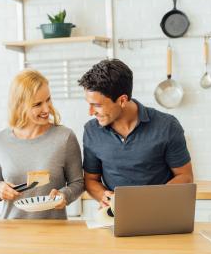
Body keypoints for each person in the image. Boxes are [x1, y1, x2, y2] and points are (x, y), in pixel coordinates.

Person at [77, 59, 193, 208]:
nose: (91, 112)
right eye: (89, 104)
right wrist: (104, 196)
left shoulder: (167, 126)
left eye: (97, 105)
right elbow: (91, 180)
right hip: (117, 215)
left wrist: (149, 201)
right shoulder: (91, 131)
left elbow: (185, 176)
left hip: (162, 212)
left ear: (122, 100)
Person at [0, 69, 84, 219]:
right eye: (37, 104)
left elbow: (78, 183)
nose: (47, 109)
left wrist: (64, 195)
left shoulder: (65, 137)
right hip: (12, 232)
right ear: (20, 106)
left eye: (48, 99)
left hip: (54, 233)